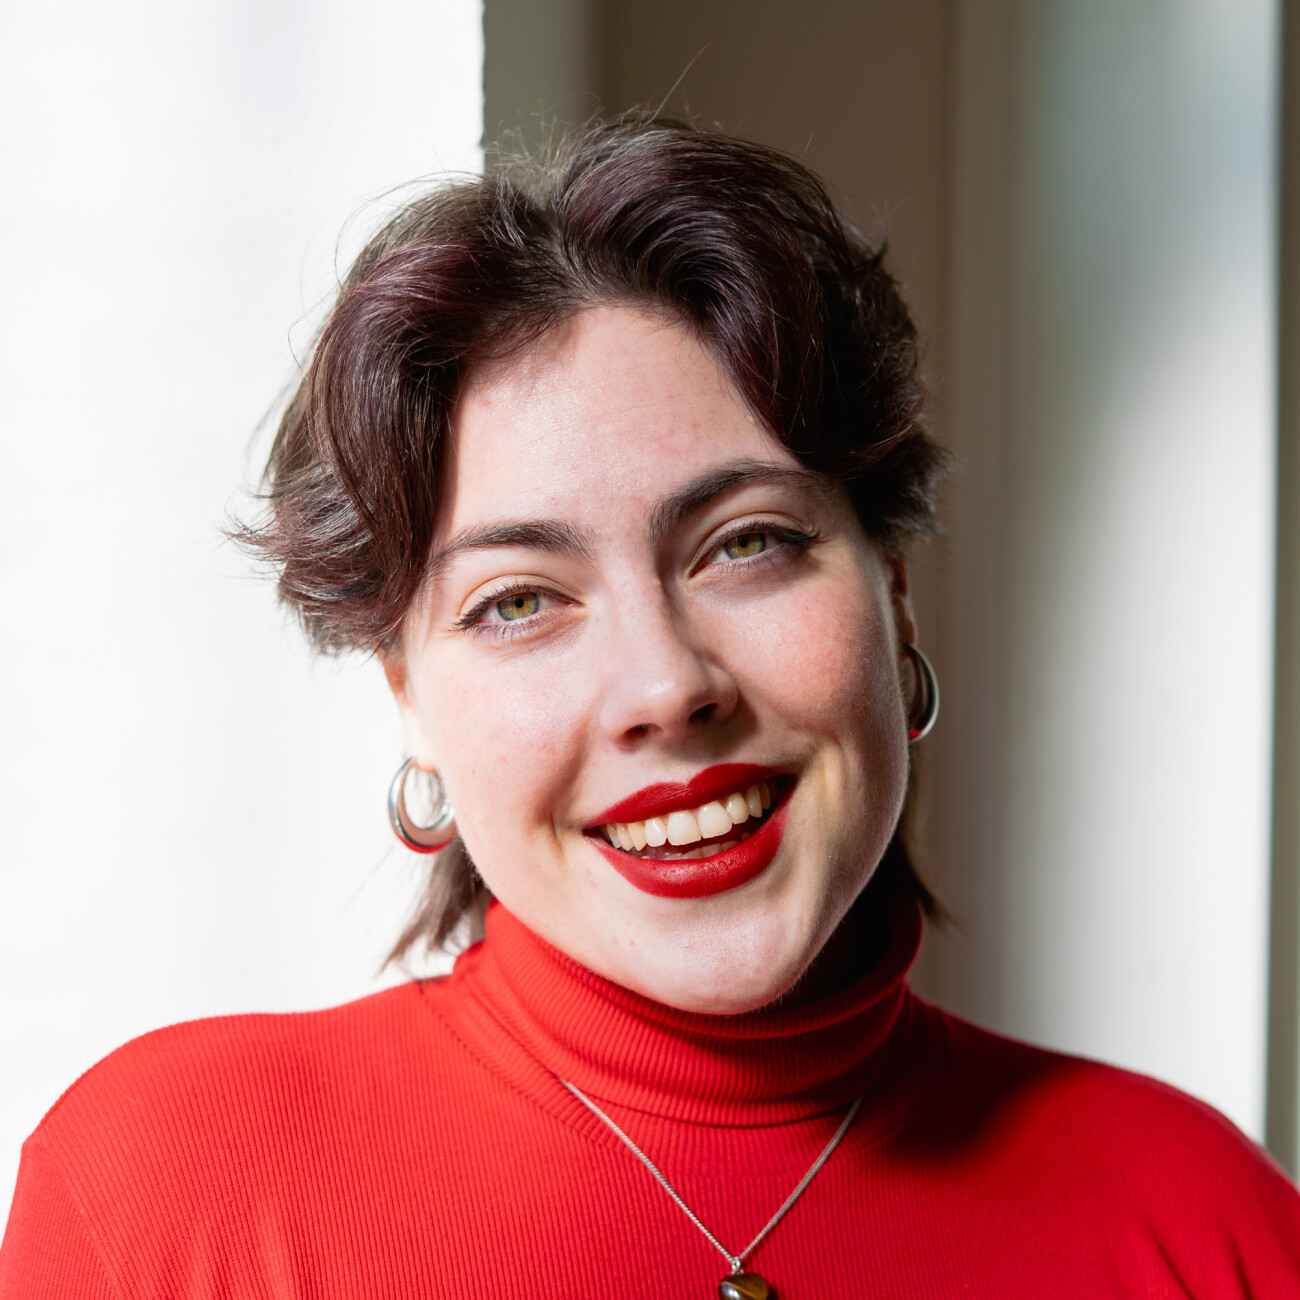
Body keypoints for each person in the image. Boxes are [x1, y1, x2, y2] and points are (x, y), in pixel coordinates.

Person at [2, 116, 1298, 1300]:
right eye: (518, 601)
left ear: (892, 590)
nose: (667, 687)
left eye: (746, 543)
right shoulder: (165, 1201)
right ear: (408, 698)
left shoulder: (1205, 1225)